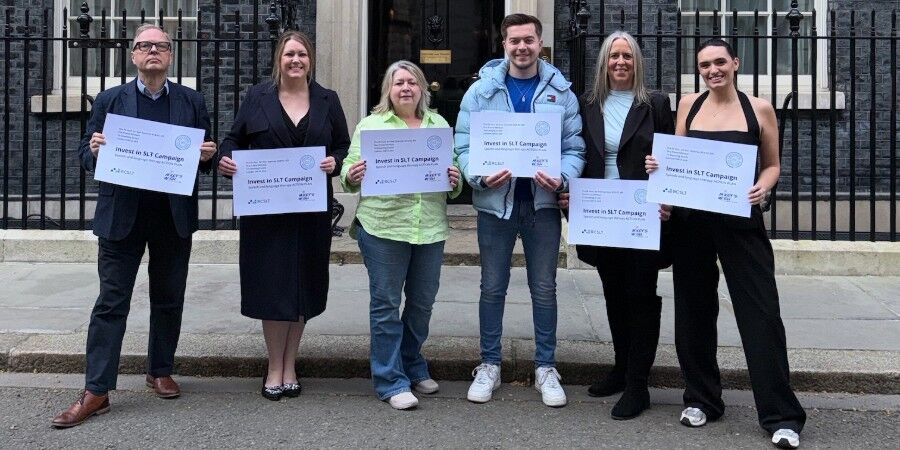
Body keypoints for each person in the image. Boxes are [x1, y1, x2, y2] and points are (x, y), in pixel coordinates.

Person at [52, 24, 217, 428]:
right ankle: (97, 390)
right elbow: (84, 153)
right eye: (145, 46)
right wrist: (92, 150)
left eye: (161, 46)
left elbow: (207, 154)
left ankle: (159, 369)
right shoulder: (110, 100)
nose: (153, 52)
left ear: (171, 55)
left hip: (171, 215)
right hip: (121, 216)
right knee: (111, 303)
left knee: (168, 298)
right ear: (133, 55)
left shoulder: (192, 101)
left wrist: (208, 155)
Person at [645, 38, 806, 449]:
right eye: (704, 65)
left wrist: (762, 189)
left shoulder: (759, 108)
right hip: (692, 224)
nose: (713, 70)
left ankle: (781, 416)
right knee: (694, 313)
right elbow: (676, 159)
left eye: (720, 62)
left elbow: (772, 164)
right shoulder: (689, 106)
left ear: (735, 63)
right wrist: (658, 168)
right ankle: (701, 399)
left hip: (740, 223)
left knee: (762, 315)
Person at [455, 13, 585, 407]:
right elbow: (463, 147)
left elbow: (575, 148)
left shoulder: (560, 90)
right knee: (492, 287)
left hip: (542, 206)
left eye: (528, 40)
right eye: (514, 41)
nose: (522, 47)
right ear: (504, 45)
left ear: (540, 42)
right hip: (497, 206)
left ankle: (545, 367)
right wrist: (478, 177)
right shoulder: (481, 92)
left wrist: (562, 177)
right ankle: (489, 364)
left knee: (544, 289)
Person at [217, 31, 350, 401]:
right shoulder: (258, 97)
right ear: (279, 59)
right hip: (266, 213)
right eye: (290, 54)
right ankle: (274, 365)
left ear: (311, 60)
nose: (296, 60)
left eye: (302, 54)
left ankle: (291, 363)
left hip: (310, 211)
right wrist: (226, 160)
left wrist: (335, 162)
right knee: (272, 286)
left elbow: (344, 145)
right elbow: (232, 140)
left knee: (301, 285)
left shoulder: (327, 99)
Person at [558, 31, 674, 420]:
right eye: (613, 56)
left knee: (641, 295)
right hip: (600, 217)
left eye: (627, 56)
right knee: (613, 293)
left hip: (641, 216)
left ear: (636, 62)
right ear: (603, 63)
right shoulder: (587, 103)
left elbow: (671, 156)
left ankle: (639, 385)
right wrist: (568, 195)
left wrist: (667, 197)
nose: (620, 62)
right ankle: (621, 369)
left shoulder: (655, 104)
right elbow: (577, 154)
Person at [340, 60, 462, 410]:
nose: (405, 88)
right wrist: (355, 174)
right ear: (388, 91)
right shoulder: (372, 125)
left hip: (429, 226)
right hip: (383, 226)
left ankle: (411, 362)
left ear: (422, 88)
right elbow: (348, 169)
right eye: (398, 83)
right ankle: (390, 379)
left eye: (412, 82)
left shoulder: (438, 124)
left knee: (422, 304)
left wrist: (455, 181)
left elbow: (452, 175)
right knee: (386, 305)